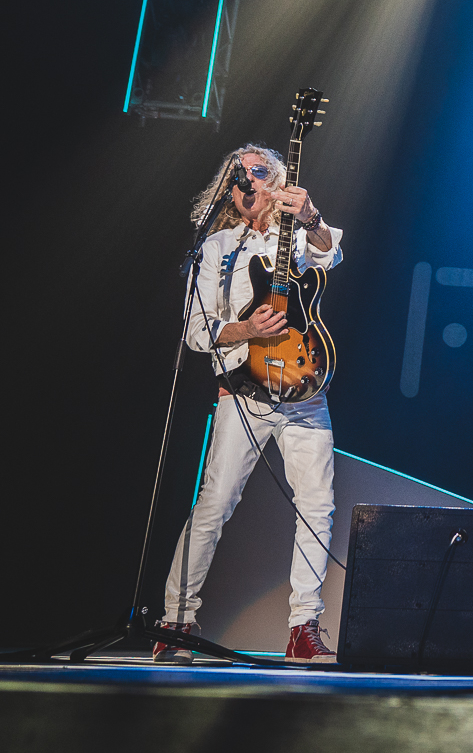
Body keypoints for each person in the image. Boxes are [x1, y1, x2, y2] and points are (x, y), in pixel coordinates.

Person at [153, 145, 344, 666]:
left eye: (259, 172)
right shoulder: (218, 249)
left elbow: (331, 253)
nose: (247, 180)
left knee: (317, 508)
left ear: (280, 182)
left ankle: (303, 627)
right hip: (243, 391)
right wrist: (244, 329)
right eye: (238, 174)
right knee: (215, 504)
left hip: (304, 391)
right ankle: (176, 620)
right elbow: (197, 332)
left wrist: (311, 216)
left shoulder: (299, 237)